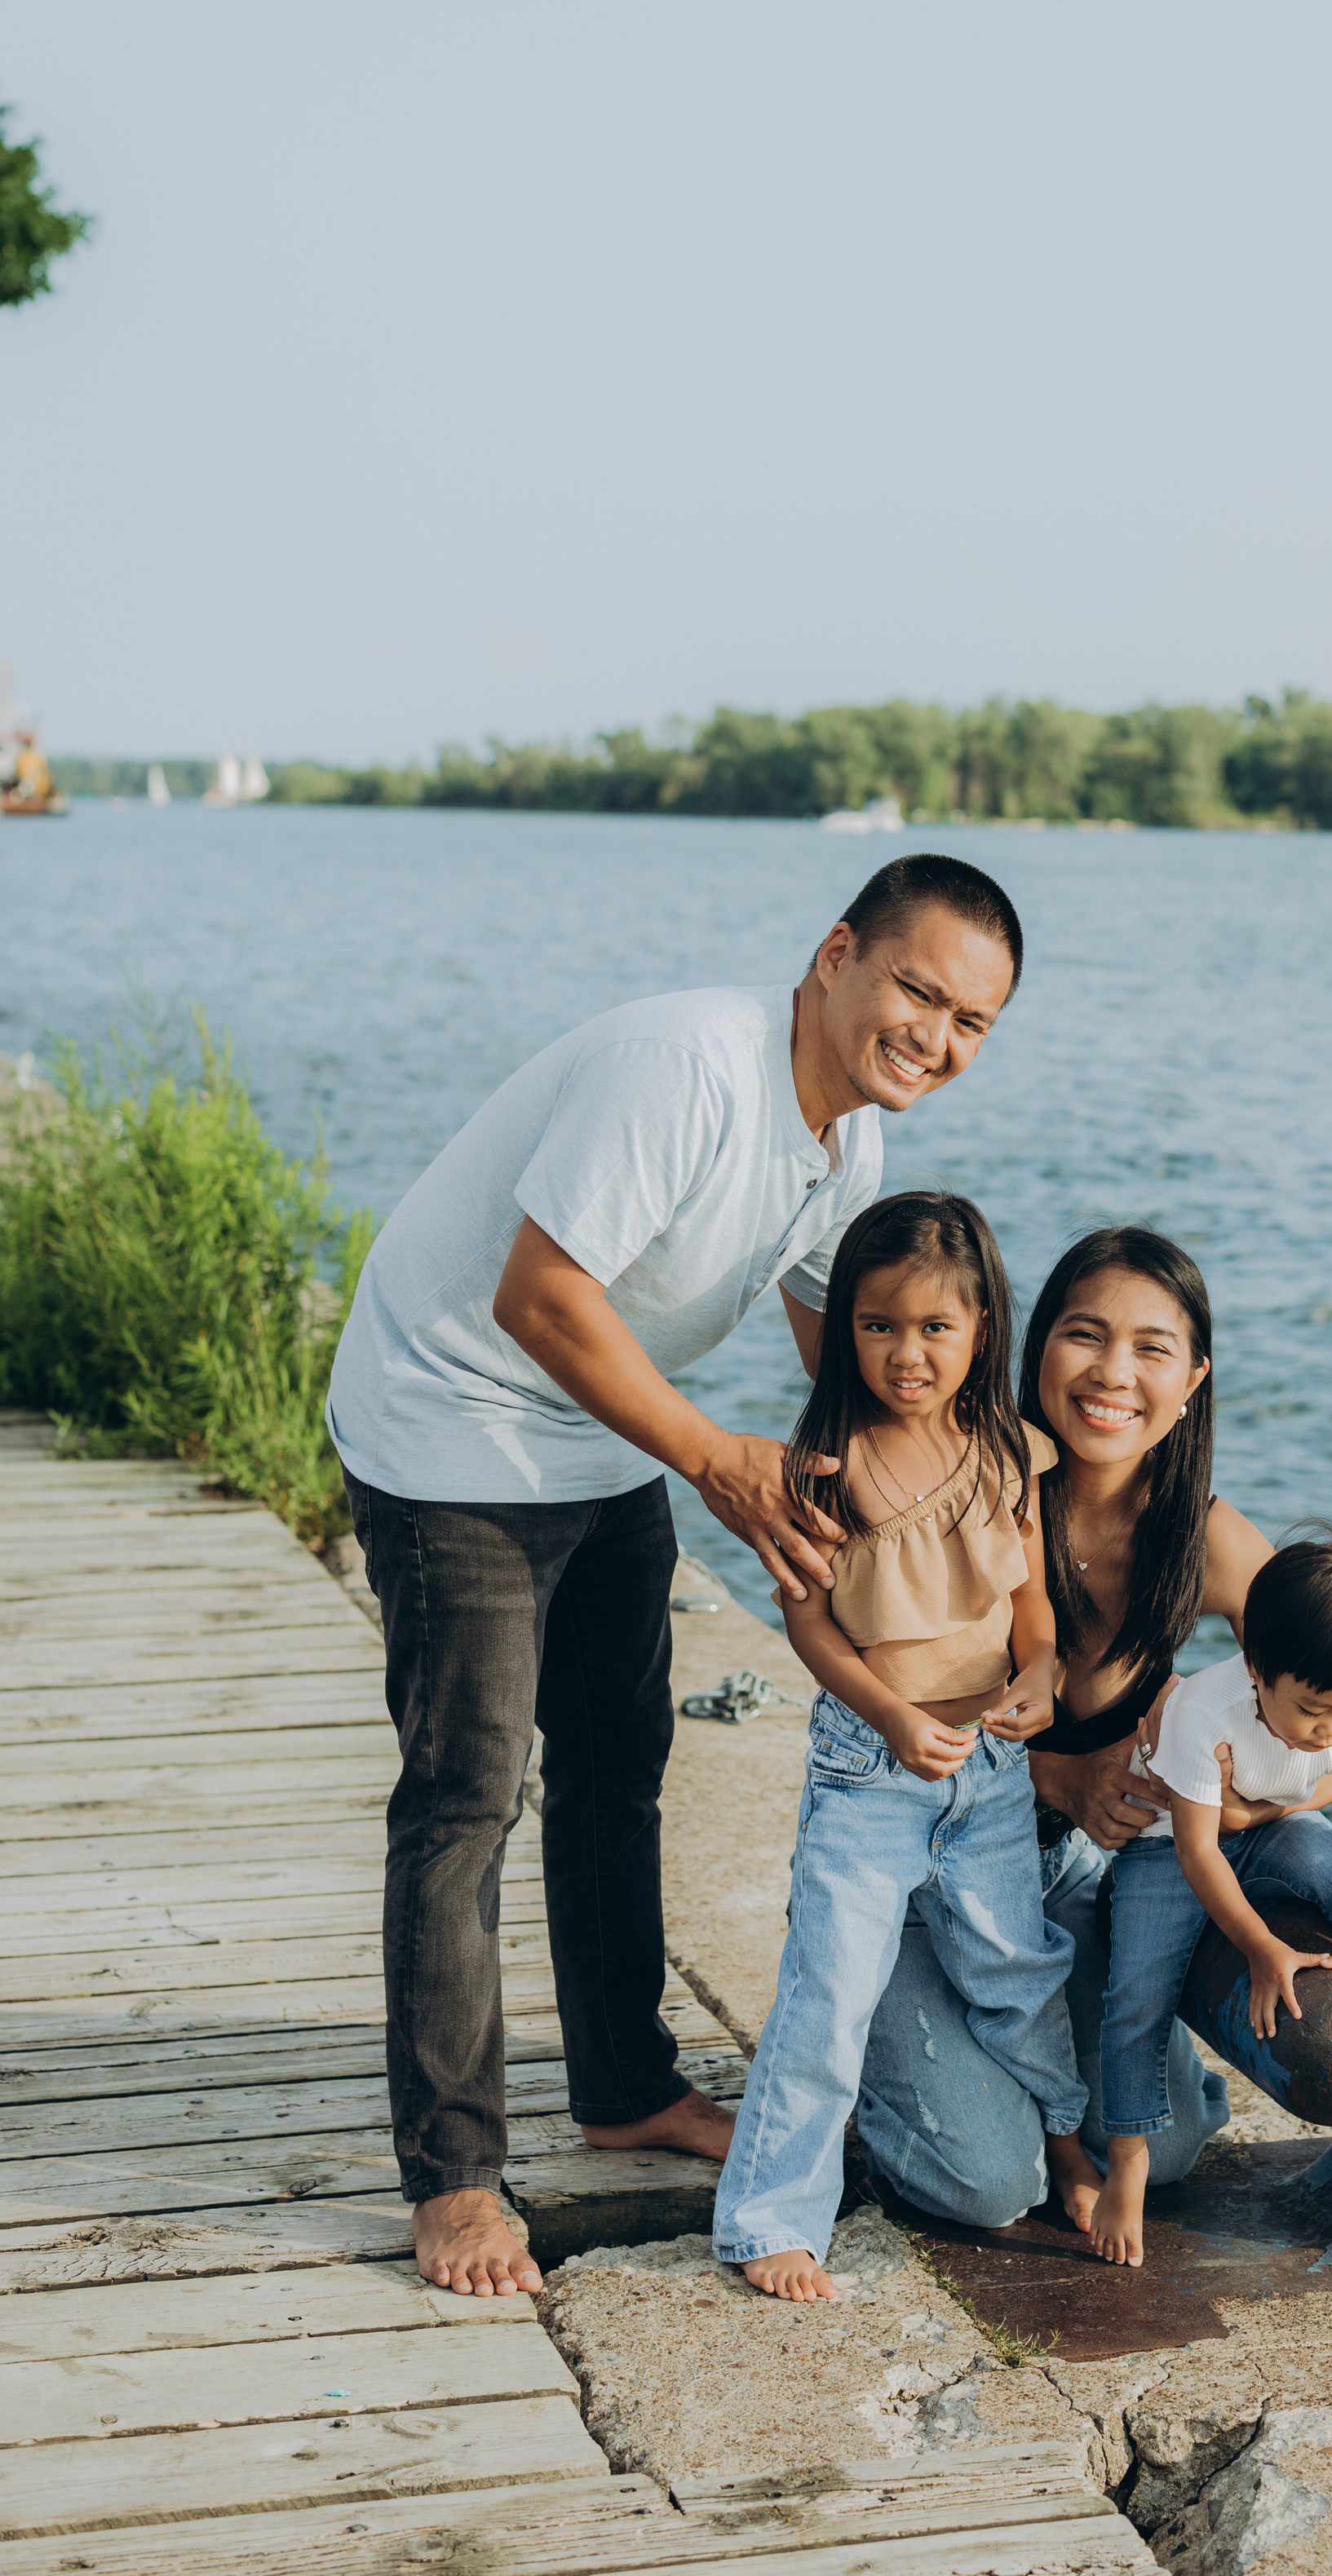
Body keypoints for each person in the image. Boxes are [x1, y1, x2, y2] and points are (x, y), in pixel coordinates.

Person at [324, 853, 1024, 2299]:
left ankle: (626, 2086)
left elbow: (851, 1357)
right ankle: (452, 2179)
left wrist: (973, 1504)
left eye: (972, 1023)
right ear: (837, 954)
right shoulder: (689, 1069)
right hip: (450, 1414)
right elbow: (537, 1296)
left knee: (619, 1760)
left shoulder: (852, 1151)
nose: (936, 1038)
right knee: (466, 1796)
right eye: (918, 989)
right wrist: (716, 1459)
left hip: (594, 1428)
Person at [858, 1224, 1321, 2230]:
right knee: (990, 2187)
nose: (1113, 1374)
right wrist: (1063, 1782)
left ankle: (1031, 2077)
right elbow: (872, 1724)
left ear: (1192, 1378)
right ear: (1034, 1352)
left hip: (1069, 1883)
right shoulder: (960, 1492)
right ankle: (873, 2052)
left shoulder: (1205, 1538)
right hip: (917, 1873)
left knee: (1169, 2151)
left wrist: (1232, 1803)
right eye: (1084, 1335)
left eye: (1151, 1349)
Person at [710, 1192, 1095, 2299]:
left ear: (982, 1328)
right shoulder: (826, 1463)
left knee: (1013, 1969)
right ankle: (773, 2218)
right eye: (878, 1326)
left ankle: (1064, 2129)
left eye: (936, 1327)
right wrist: (888, 1715)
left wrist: (1038, 1677)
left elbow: (1029, 1612)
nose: (907, 1353)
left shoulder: (1007, 1452)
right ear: (845, 1331)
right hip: (871, 1766)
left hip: (990, 1765)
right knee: (828, 1988)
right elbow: (810, 1625)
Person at [1089, 1536, 1332, 2265]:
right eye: (1317, 1711)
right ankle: (1129, 2160)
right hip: (1169, 1843)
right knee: (1136, 1989)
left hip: (1273, 1826)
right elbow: (1199, 1852)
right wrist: (1263, 1947)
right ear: (1258, 1670)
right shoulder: (1205, 1712)